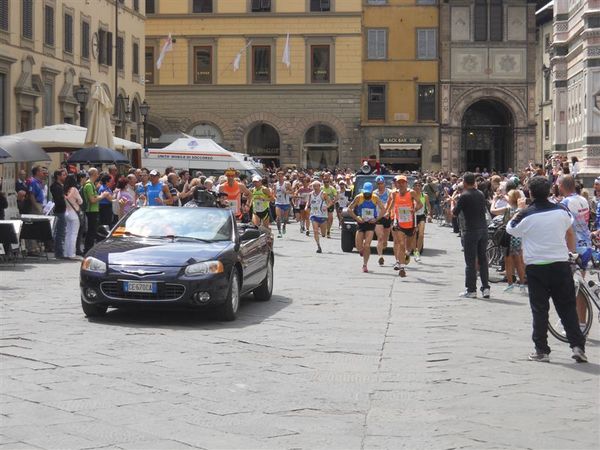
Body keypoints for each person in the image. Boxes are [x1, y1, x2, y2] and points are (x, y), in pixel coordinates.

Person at [506, 176, 587, 363]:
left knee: (540, 309)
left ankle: (542, 350)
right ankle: (577, 346)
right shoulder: (561, 211)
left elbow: (511, 229)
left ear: (531, 193)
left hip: (537, 267)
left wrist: (519, 208)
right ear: (550, 191)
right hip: (560, 264)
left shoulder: (526, 214)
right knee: (567, 308)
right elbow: (569, 226)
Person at [559, 175, 592, 331]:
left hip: (574, 248)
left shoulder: (565, 203)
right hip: (586, 246)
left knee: (570, 288)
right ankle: (582, 322)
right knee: (581, 288)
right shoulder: (583, 199)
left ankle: (572, 325)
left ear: (562, 186)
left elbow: (564, 227)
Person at [452, 172, 490, 298]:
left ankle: (471, 290)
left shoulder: (464, 195)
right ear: (474, 182)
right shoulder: (480, 193)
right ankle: (486, 288)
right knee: (483, 260)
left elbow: (455, 213)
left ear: (464, 182)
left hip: (471, 230)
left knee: (470, 261)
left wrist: (453, 203)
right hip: (483, 229)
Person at [386, 175, 422, 277]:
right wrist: (388, 212)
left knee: (408, 247)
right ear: (396, 183)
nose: (401, 184)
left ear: (406, 183)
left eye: (403, 182)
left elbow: (420, 204)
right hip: (399, 222)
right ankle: (401, 267)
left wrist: (414, 210)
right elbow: (392, 203)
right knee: (401, 244)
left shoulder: (411, 193)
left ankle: (407, 254)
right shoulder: (394, 193)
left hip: (410, 223)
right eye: (399, 182)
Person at [347, 182, 386, 272]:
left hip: (370, 223)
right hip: (361, 223)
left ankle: (365, 265)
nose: (367, 195)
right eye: (366, 193)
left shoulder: (375, 198)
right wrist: (357, 218)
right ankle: (361, 251)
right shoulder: (359, 197)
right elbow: (349, 209)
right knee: (358, 246)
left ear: (372, 191)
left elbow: (383, 209)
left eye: (368, 193)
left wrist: (376, 219)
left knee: (367, 245)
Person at [82, 168, 110, 253]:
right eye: (97, 174)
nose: (98, 175)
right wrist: (103, 196)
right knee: (91, 231)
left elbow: (94, 198)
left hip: (93, 210)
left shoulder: (92, 184)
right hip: (91, 211)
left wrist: (100, 196)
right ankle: (87, 249)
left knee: (93, 231)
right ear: (94, 174)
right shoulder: (89, 185)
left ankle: (88, 248)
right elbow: (92, 200)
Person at [307, 180, 333, 253]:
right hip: (314, 215)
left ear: (319, 186)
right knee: (315, 231)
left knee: (323, 234)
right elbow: (308, 202)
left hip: (322, 215)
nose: (315, 187)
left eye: (316, 186)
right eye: (313, 186)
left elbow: (330, 202)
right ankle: (318, 246)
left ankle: (325, 233)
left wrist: (326, 207)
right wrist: (306, 207)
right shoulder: (310, 194)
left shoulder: (323, 194)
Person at [411, 180, 432, 262]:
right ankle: (414, 251)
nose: (417, 187)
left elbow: (428, 206)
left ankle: (417, 252)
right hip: (412, 216)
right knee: (413, 235)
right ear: (413, 187)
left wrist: (430, 214)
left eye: (419, 185)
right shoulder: (410, 195)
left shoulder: (425, 196)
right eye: (415, 185)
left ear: (421, 187)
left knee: (421, 235)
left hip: (421, 216)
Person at [63, 174, 83, 260]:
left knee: (67, 233)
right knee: (74, 234)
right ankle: (72, 254)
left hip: (66, 212)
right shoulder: (74, 189)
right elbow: (80, 201)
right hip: (74, 213)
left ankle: (66, 253)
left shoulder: (64, 190)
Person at [373, 175, 392, 266]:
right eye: (378, 184)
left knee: (385, 240)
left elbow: (393, 202)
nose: (380, 185)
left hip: (387, 217)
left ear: (384, 183)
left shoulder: (389, 192)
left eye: (381, 183)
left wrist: (389, 212)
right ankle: (380, 256)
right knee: (380, 237)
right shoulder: (374, 193)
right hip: (378, 217)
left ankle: (385, 244)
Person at [50, 169, 68, 259]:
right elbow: (58, 200)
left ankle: (60, 251)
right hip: (59, 211)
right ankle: (59, 253)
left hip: (62, 210)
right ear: (58, 176)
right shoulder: (55, 186)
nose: (65, 177)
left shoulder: (61, 186)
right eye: (63, 175)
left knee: (61, 232)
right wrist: (64, 198)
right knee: (60, 232)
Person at [274, 170, 293, 238]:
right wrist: (275, 197)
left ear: (283, 176)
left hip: (286, 203)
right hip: (278, 203)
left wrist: (286, 192)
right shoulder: (275, 184)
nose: (279, 177)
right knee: (278, 217)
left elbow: (292, 191)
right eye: (278, 176)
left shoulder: (287, 184)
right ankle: (279, 232)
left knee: (285, 218)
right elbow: (274, 193)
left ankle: (284, 226)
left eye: (281, 176)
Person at [321, 173, 338, 238]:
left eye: (327, 182)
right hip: (322, 205)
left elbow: (336, 196)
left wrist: (334, 201)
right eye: (324, 182)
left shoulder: (332, 188)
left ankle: (328, 231)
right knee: (324, 218)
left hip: (330, 204)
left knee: (330, 218)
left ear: (329, 182)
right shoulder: (321, 188)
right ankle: (323, 229)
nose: (326, 183)